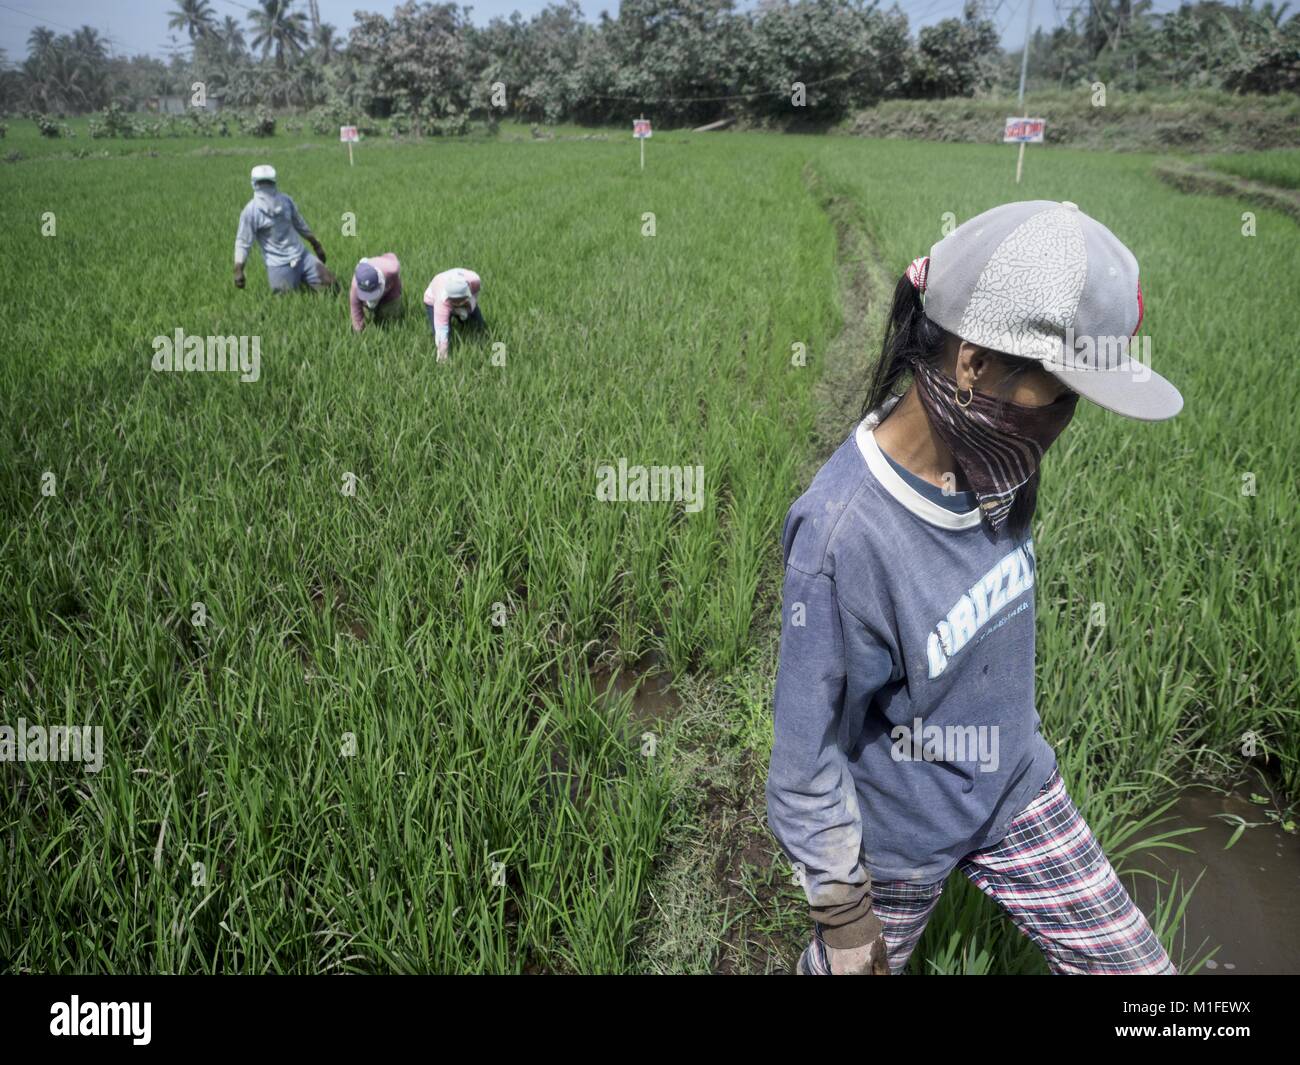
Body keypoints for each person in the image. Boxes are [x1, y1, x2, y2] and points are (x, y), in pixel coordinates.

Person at [766, 200, 1184, 976]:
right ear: (972, 364)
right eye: (1058, 392)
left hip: (1019, 790)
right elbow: (803, 758)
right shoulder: (841, 537)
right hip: (898, 839)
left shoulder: (999, 454)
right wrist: (845, 918)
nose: (1064, 418)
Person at [233, 164, 335, 293]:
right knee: (287, 301)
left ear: (274, 182)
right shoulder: (250, 212)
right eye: (261, 183)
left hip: (302, 256)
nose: (265, 187)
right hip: (279, 264)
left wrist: (316, 245)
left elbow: (300, 224)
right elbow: (243, 242)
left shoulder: (286, 201)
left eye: (268, 183)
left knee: (331, 286)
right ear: (254, 184)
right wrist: (238, 269)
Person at [423, 268, 484, 361]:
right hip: (432, 299)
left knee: (477, 323)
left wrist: (468, 308)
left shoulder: (474, 281)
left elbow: (475, 296)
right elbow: (441, 331)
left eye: (461, 300)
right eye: (455, 302)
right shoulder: (441, 302)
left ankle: (482, 339)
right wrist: (443, 359)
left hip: (462, 294)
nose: (458, 304)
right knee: (444, 332)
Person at [350, 253, 402, 332]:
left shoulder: (391, 269)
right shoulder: (355, 287)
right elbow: (355, 310)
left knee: (391, 313)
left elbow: (391, 256)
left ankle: (390, 327)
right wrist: (358, 330)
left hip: (390, 289)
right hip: (370, 292)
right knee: (367, 315)